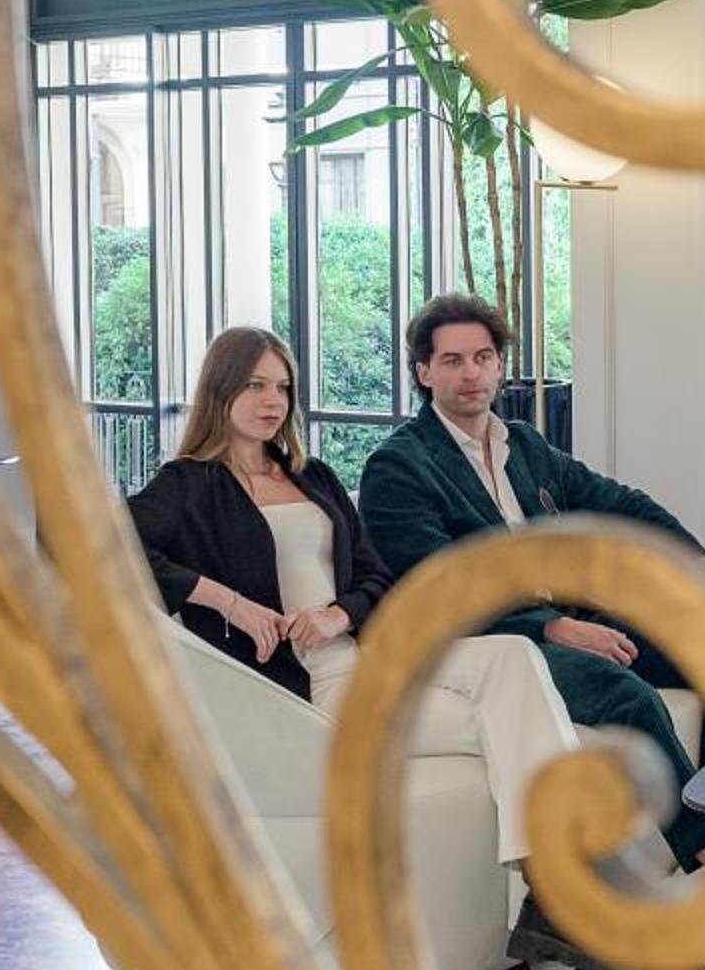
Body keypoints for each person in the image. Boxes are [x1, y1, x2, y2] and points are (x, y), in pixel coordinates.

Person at [359, 293, 705, 970]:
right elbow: (440, 587)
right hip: (487, 645)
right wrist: (551, 627)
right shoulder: (399, 466)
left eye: (484, 357)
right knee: (625, 694)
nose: (471, 374)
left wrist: (693, 558)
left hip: (561, 619)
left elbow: (616, 500)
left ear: (500, 365)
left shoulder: (522, 445)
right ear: (423, 372)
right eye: (453, 361)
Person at [128, 326, 583, 904]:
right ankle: (561, 882)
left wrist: (339, 615)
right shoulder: (189, 484)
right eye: (254, 386)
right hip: (315, 692)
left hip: (372, 656)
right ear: (220, 390)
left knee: (514, 655)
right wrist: (230, 603)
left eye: (283, 388)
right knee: (512, 724)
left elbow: (375, 576)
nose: (272, 401)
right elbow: (96, 544)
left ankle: (555, 885)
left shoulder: (310, 476)